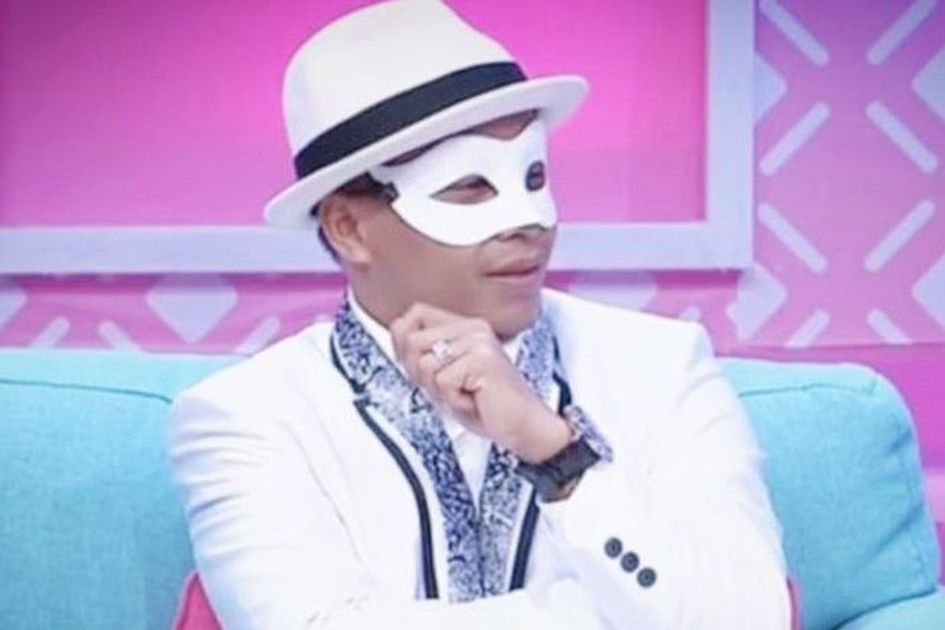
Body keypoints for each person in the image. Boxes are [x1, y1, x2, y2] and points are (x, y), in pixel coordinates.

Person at [169, 1, 793, 628]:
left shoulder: (660, 366)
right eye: (469, 188)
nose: (528, 222)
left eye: (535, 176)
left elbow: (750, 618)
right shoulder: (248, 416)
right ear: (348, 228)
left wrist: (557, 455)